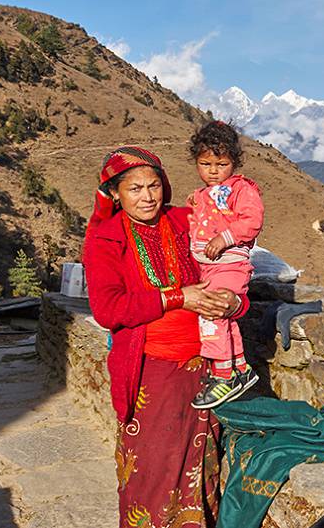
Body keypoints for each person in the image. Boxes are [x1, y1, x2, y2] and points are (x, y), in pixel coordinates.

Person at [83, 146, 249, 528]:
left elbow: (230, 265)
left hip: (205, 369)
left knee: (199, 466)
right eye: (135, 189)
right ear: (114, 194)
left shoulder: (187, 222)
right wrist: (179, 296)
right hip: (150, 375)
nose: (147, 196)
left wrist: (233, 302)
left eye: (154, 185)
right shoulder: (106, 240)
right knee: (150, 468)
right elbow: (109, 309)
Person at [187, 121, 264, 409]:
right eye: (205, 163)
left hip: (230, 265)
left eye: (221, 163)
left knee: (211, 312)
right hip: (209, 268)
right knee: (225, 318)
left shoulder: (241, 189)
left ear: (234, 161)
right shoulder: (200, 195)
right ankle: (239, 368)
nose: (213, 170)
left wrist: (225, 238)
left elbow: (252, 221)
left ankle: (222, 376)